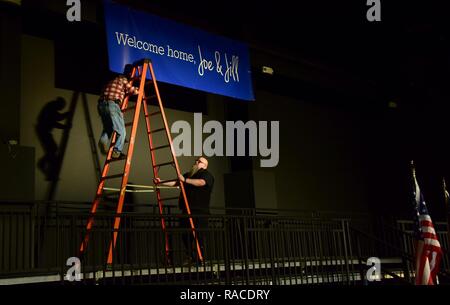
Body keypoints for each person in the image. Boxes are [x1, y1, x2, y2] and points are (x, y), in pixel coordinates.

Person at [154, 157, 214, 265]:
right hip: (186, 210)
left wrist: (185, 180)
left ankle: (200, 259)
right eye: (196, 160)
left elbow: (201, 182)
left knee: (198, 236)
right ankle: (191, 257)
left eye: (199, 161)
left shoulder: (206, 174)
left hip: (199, 212)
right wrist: (161, 182)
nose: (196, 162)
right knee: (185, 235)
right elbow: (177, 182)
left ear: (204, 165)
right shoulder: (189, 174)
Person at [97, 70, 137, 159]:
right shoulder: (122, 80)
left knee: (108, 128)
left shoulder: (111, 81)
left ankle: (103, 141)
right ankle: (116, 152)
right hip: (112, 105)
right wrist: (138, 90)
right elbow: (132, 90)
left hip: (101, 105)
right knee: (122, 131)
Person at [36, 97, 71, 180]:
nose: (61, 108)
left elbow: (56, 118)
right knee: (53, 150)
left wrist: (65, 117)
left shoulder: (51, 107)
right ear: (59, 104)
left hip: (44, 131)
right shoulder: (51, 107)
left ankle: (45, 166)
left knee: (52, 150)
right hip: (43, 131)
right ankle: (42, 164)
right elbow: (55, 120)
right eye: (62, 106)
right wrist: (65, 124)